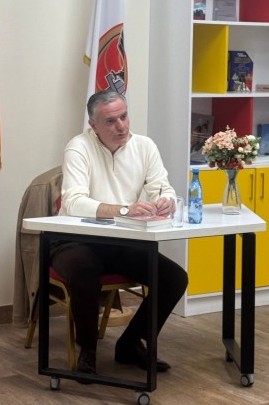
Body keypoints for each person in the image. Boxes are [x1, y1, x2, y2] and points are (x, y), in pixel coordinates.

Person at [50, 90, 188, 379]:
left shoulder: (145, 146)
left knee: (174, 277)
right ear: (93, 125)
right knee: (84, 270)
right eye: (111, 121)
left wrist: (166, 200)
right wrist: (125, 210)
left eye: (124, 117)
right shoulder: (78, 147)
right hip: (74, 239)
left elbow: (163, 187)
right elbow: (73, 203)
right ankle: (88, 350)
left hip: (121, 239)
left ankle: (129, 344)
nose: (121, 126)